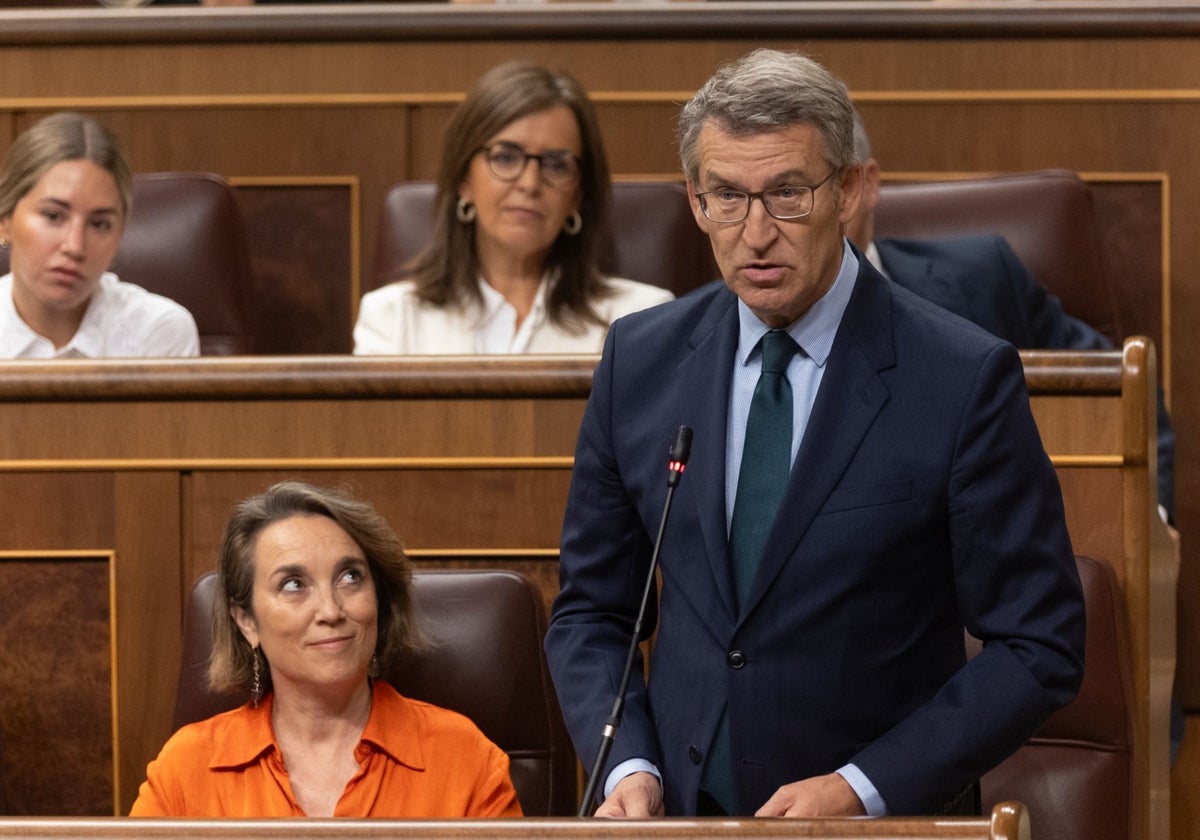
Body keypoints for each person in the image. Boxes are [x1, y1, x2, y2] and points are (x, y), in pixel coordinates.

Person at [544, 48, 1086, 819]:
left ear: (851, 190)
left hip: (885, 825)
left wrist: (862, 789)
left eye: (788, 194)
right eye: (726, 196)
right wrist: (627, 760)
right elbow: (594, 612)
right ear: (694, 202)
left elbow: (1040, 645)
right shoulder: (641, 362)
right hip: (683, 818)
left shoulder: (961, 376)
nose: (756, 232)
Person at [848, 110, 1176, 524]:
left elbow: (1124, 390)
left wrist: (1151, 531)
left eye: (807, 190)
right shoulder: (745, 319)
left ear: (865, 184)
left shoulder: (984, 277)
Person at [130, 481, 522, 818]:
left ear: (379, 599)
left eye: (350, 577)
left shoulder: (464, 758)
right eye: (293, 584)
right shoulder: (187, 768)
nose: (331, 610)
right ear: (246, 621)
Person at [353, 61, 673, 355]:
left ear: (577, 194)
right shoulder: (393, 319)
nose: (530, 184)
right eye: (506, 158)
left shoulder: (641, 319)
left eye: (556, 165)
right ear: (464, 178)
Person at [0, 112, 200, 359]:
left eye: (100, 224)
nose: (74, 246)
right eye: (53, 216)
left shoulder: (158, 330)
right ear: (4, 220)